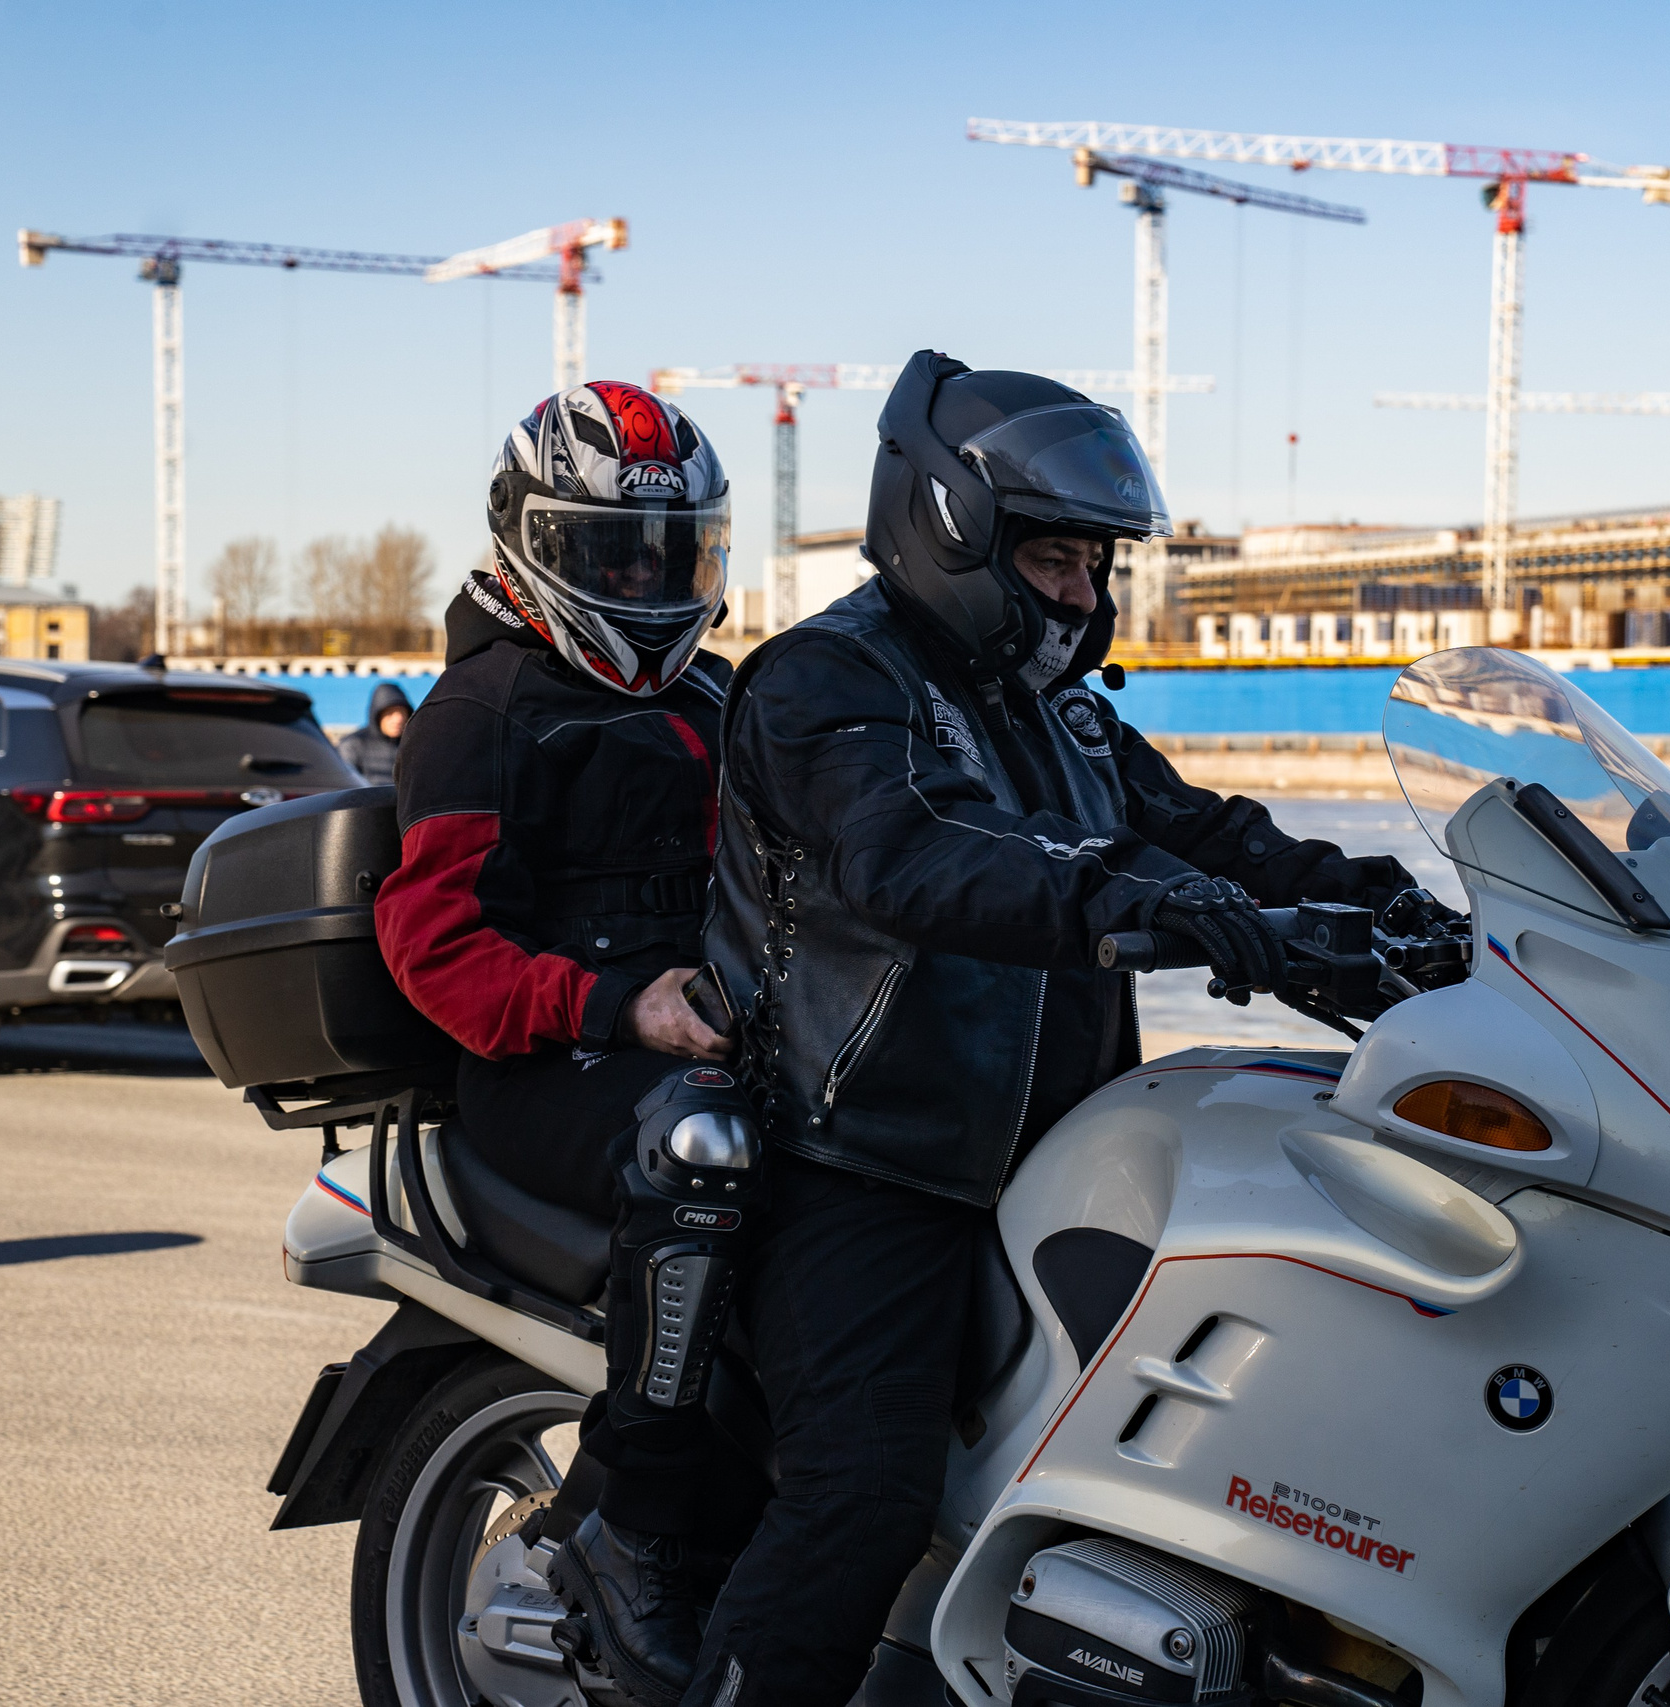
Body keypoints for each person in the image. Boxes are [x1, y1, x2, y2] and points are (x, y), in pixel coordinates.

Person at [686, 352, 1420, 1706]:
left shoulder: (1060, 710)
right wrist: (1144, 893)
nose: (1083, 595)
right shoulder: (825, 682)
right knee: (861, 1494)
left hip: (1056, 1153)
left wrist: (1397, 910)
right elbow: (920, 848)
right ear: (954, 533)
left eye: (1094, 564)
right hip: (862, 1160)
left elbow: (1205, 834)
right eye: (1054, 561)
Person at [372, 379, 755, 1707]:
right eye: (613, 555)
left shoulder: (712, 696)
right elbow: (435, 948)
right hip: (543, 1067)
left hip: (693, 1041)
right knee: (703, 1147)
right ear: (530, 539)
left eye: (668, 554)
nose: (645, 583)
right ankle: (630, 1529)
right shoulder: (481, 709)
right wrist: (612, 1006)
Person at [336, 680, 410, 784]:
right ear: (377, 715)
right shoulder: (352, 746)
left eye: (402, 713)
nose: (398, 720)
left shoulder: (413, 745)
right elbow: (345, 785)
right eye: (390, 713)